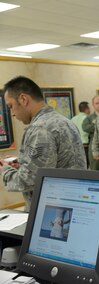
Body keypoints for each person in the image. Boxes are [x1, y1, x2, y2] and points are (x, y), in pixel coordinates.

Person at [0, 76, 86, 211]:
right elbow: (57, 162)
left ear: (23, 99)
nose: (12, 114)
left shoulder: (39, 128)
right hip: (73, 202)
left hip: (51, 210)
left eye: (11, 106)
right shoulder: (63, 121)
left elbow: (30, 180)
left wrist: (5, 170)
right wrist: (23, 164)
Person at [82, 95, 99, 170]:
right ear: (93, 105)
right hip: (94, 144)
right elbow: (85, 127)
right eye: (97, 103)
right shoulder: (89, 117)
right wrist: (98, 126)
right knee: (95, 167)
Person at [71, 101, 91, 167]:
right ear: (86, 109)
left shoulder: (72, 119)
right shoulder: (88, 118)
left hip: (75, 147)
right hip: (86, 147)